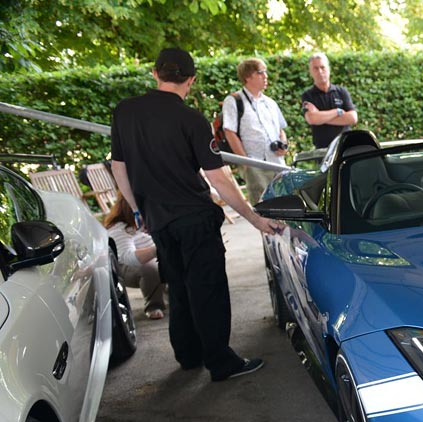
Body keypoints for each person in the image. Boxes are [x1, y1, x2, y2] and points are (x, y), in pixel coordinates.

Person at [110, 47, 281, 382]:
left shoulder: (125, 111)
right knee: (208, 290)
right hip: (195, 219)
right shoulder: (191, 119)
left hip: (158, 220)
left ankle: (188, 355)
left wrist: (138, 210)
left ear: (155, 74)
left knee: (179, 287)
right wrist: (254, 218)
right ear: (190, 80)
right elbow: (219, 178)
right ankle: (221, 362)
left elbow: (119, 167)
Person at [221, 57, 289, 204]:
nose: (266, 76)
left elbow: (281, 130)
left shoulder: (270, 103)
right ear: (248, 77)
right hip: (255, 165)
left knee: (285, 205)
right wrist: (246, 163)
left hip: (278, 163)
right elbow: (229, 131)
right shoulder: (234, 101)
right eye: (261, 72)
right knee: (263, 207)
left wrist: (283, 144)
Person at [102, 197, 166, 320]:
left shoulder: (150, 223)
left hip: (150, 259)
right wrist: (157, 250)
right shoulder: (119, 230)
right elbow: (128, 258)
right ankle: (153, 305)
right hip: (123, 268)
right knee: (150, 268)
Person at [300, 52, 359, 149]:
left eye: (322, 67)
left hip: (345, 147)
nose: (320, 71)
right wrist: (338, 111)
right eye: (315, 68)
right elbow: (312, 119)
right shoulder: (308, 95)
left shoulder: (341, 92)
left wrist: (321, 117)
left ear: (328, 69)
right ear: (310, 72)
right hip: (323, 150)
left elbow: (352, 118)